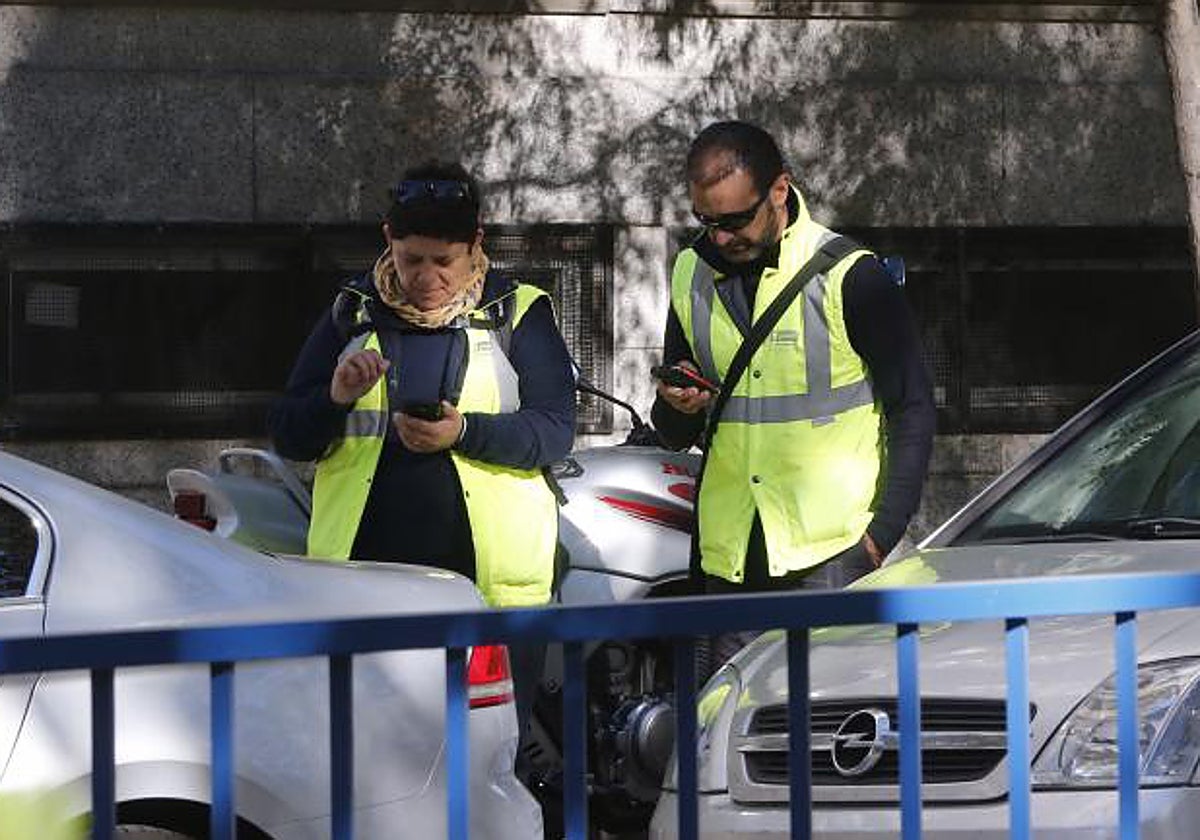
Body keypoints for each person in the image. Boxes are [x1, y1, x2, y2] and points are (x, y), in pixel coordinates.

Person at [267, 159, 576, 739]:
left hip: (492, 592)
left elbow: (555, 430)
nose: (427, 277)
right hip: (363, 588)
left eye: (444, 261)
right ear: (388, 239)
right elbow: (289, 434)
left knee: (484, 761)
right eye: (411, 259)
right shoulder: (350, 311)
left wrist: (465, 433)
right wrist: (333, 397)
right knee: (371, 760)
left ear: (475, 244)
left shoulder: (520, 311)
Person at [652, 121, 936, 663]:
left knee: (829, 734)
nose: (719, 237)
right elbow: (673, 430)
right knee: (734, 730)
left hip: (831, 558)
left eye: (735, 219)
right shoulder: (689, 272)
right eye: (705, 221)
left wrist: (879, 537)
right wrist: (679, 406)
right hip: (731, 561)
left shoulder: (849, 274)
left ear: (779, 191)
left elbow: (914, 407)